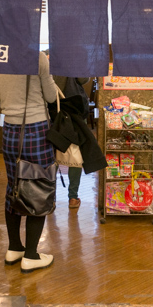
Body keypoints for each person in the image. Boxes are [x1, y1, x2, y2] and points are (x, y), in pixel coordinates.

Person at [0, 51, 58, 273]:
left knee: (15, 186)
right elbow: (51, 97)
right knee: (39, 187)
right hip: (36, 129)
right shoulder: (37, 56)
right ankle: (31, 255)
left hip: (9, 129)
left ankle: (14, 248)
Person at [51, 76, 90, 209]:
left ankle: (51, 197)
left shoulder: (48, 64)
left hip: (54, 112)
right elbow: (84, 79)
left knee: (53, 152)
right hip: (75, 113)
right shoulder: (74, 64)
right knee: (75, 154)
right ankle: (73, 197)